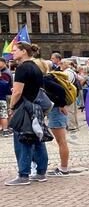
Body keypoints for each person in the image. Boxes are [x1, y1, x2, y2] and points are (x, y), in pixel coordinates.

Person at [5, 42, 48, 186]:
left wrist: (11, 107)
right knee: (37, 138)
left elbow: (17, 91)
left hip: (24, 108)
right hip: (36, 107)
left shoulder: (22, 68)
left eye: (15, 50)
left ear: (24, 52)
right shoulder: (36, 67)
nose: (13, 53)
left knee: (22, 139)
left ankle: (23, 175)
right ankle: (41, 172)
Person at [0, 57, 12, 137]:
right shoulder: (6, 72)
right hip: (3, 98)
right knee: (4, 114)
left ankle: (7, 128)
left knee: (6, 113)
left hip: (5, 97)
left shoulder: (5, 73)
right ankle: (5, 129)